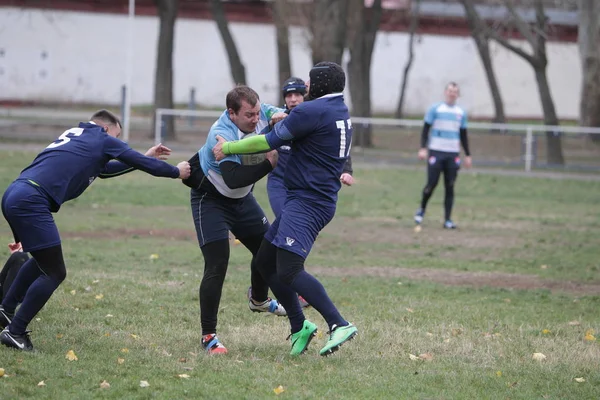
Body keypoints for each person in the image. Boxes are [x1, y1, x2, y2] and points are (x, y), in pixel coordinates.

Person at [0, 109, 191, 351]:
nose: (118, 141)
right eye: (117, 135)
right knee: (55, 272)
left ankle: (5, 312)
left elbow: (104, 170)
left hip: (15, 193)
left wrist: (144, 157)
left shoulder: (77, 134)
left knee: (41, 260)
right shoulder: (102, 138)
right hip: (31, 200)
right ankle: (15, 332)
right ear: (106, 129)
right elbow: (141, 163)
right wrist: (176, 172)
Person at [213, 62, 358, 357]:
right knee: (264, 262)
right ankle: (298, 326)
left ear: (318, 85)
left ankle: (338, 324)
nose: (305, 87)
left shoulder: (311, 111)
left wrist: (227, 148)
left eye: (309, 82)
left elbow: (268, 141)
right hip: (309, 199)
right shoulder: (338, 109)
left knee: (289, 269)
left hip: (308, 202)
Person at [186, 85, 286, 355]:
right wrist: (269, 164)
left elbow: (278, 113)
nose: (256, 120)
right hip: (211, 200)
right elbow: (234, 179)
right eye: (248, 115)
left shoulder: (262, 112)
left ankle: (259, 299)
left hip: (242, 201)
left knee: (268, 249)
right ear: (232, 113)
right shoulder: (221, 133)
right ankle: (208, 336)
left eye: (257, 113)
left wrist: (280, 115)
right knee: (217, 263)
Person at [267, 76, 355, 218]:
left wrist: (346, 170)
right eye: (289, 95)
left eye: (297, 94)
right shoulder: (277, 118)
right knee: (286, 219)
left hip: (303, 186)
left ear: (305, 96)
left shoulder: (315, 118)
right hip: (279, 182)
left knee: (291, 227)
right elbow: (262, 141)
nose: (293, 99)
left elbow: (338, 144)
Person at [414, 82, 472, 229]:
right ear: (445, 92)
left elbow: (463, 134)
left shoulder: (461, 112)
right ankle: (421, 209)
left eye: (455, 91)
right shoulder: (435, 109)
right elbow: (425, 129)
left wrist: (468, 154)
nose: (452, 93)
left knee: (450, 186)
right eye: (450, 90)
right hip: (436, 151)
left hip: (453, 153)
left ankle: (447, 219)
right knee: (431, 184)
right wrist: (423, 148)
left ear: (458, 94)